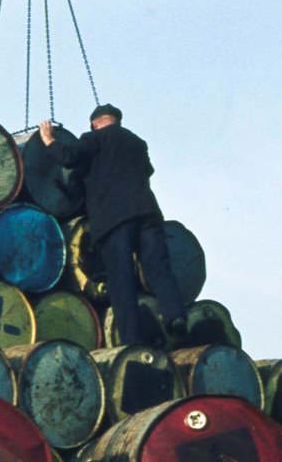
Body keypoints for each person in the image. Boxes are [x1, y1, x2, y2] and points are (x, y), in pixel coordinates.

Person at [38, 104, 187, 346]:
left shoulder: (94, 138)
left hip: (114, 219)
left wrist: (47, 139)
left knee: (121, 279)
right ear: (118, 120)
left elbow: (69, 157)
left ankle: (131, 339)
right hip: (147, 213)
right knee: (159, 268)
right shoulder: (137, 142)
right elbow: (146, 171)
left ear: (95, 124)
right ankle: (176, 316)